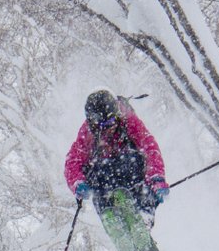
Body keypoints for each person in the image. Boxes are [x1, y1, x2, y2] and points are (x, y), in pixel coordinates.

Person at [63, 90, 167, 221]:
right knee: (97, 172)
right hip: (105, 180)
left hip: (132, 175)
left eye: (111, 122)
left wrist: (156, 177)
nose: (108, 128)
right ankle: (110, 216)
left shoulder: (128, 120)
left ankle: (144, 215)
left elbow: (150, 148)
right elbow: (73, 160)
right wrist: (78, 183)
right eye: (102, 126)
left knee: (130, 162)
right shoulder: (87, 132)